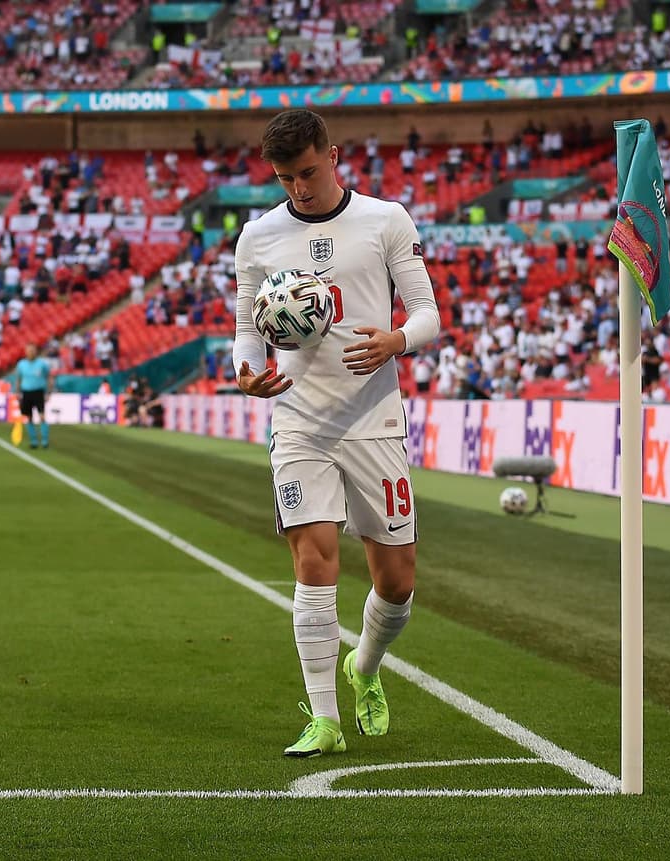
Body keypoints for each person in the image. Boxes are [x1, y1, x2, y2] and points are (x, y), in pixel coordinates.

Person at [232, 110, 440, 757]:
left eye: (309, 172)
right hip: (299, 419)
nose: (298, 188)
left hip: (373, 419)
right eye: (286, 178)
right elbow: (246, 325)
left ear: (334, 154)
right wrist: (247, 370)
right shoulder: (258, 237)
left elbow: (429, 311)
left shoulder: (385, 220)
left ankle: (365, 667)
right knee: (314, 562)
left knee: (398, 580)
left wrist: (397, 339)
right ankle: (324, 719)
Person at [14, 343, 51, 449]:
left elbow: (49, 377)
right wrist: (17, 392)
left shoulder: (42, 364)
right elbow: (18, 379)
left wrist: (48, 392)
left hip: (39, 392)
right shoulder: (21, 364)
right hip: (26, 392)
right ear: (25, 352)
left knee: (42, 416)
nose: (30, 352)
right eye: (29, 350)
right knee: (29, 417)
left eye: (32, 350)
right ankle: (33, 441)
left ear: (36, 351)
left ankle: (44, 441)